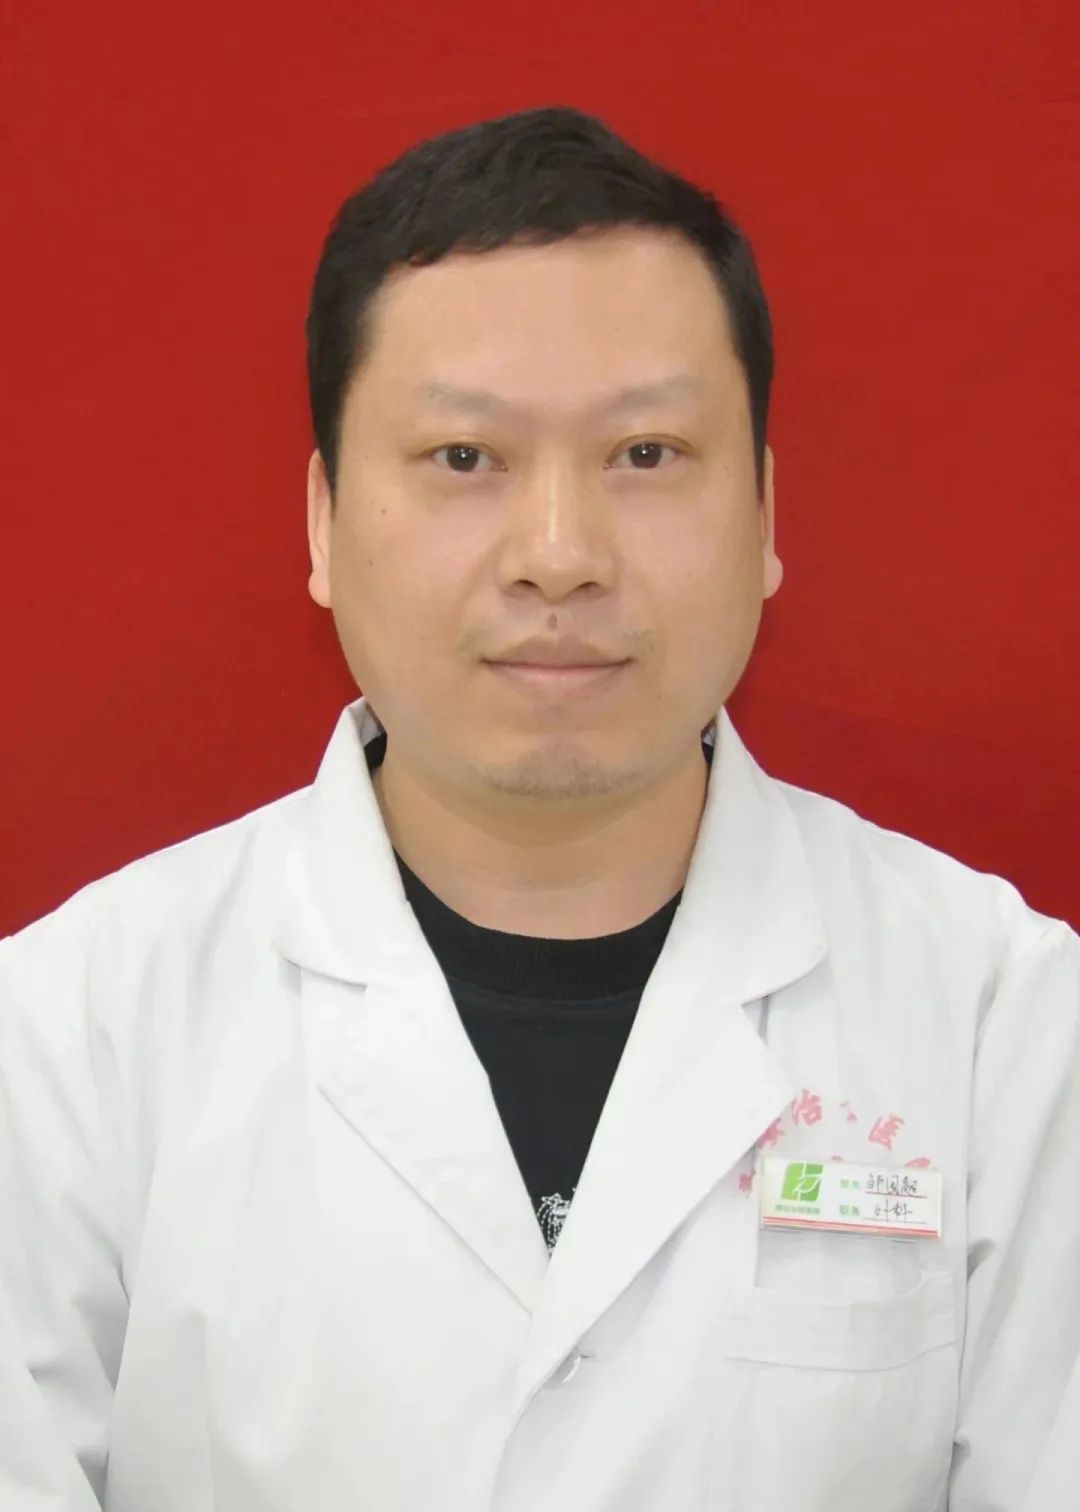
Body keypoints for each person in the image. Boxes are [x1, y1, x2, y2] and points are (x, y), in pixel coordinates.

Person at [1, 104, 1077, 1512]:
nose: (559, 555)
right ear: (323, 521)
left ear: (764, 516)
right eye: (465, 459)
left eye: (646, 455)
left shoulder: (1008, 1027)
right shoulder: (66, 1039)